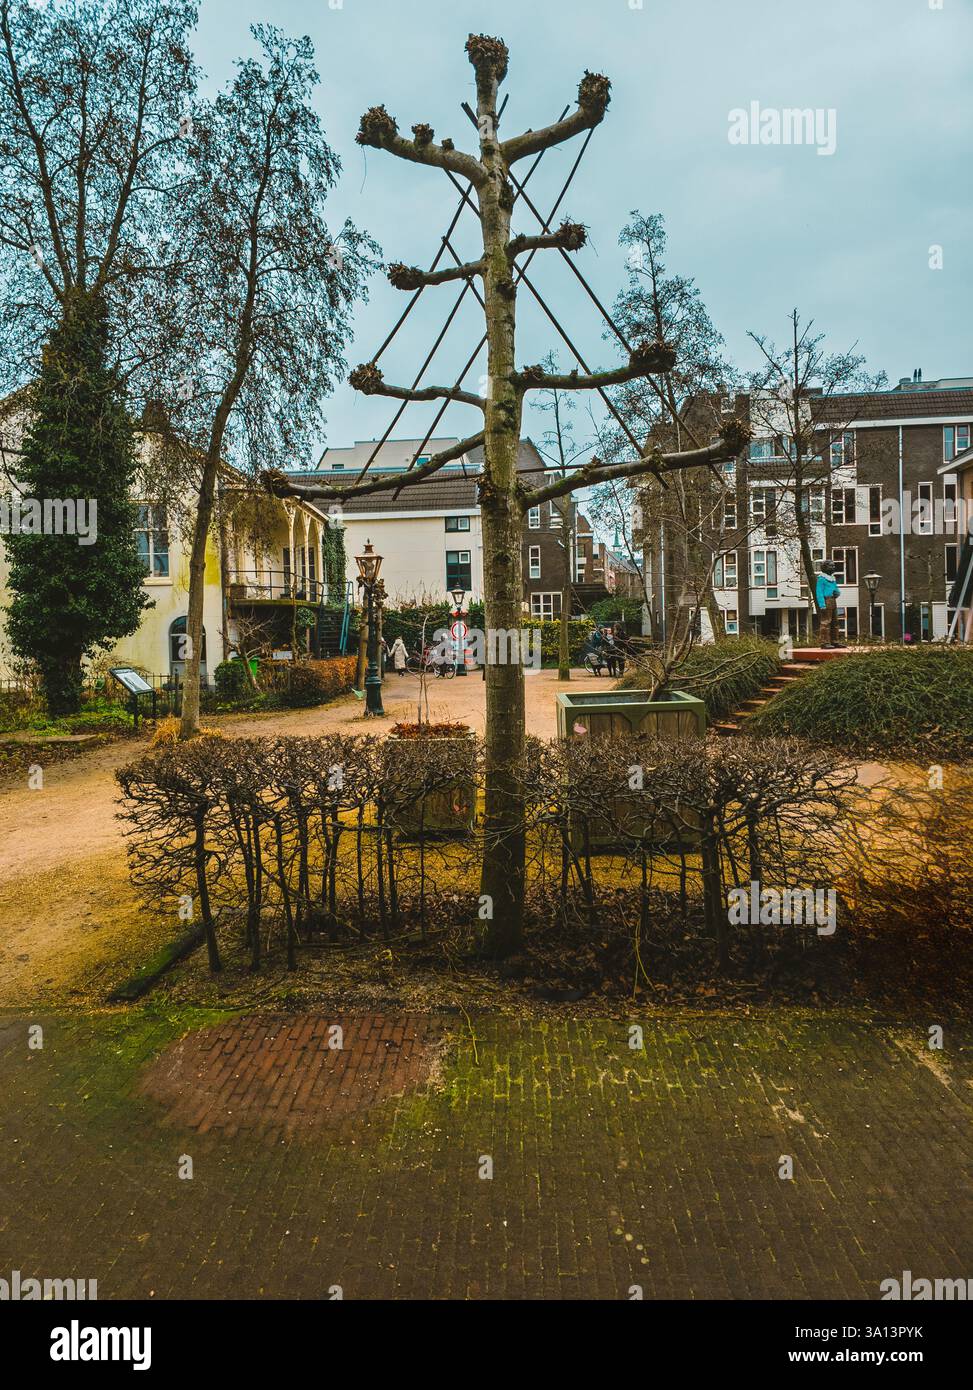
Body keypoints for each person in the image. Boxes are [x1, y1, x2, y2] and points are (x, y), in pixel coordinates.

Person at [815, 560, 843, 648]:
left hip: (833, 600)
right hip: (826, 601)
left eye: (833, 566)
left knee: (835, 622)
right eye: (831, 566)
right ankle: (824, 642)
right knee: (826, 622)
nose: (833, 567)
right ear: (825, 568)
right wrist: (822, 605)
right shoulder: (821, 579)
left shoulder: (832, 578)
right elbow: (819, 593)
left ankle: (835, 641)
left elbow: (836, 589)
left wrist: (837, 593)